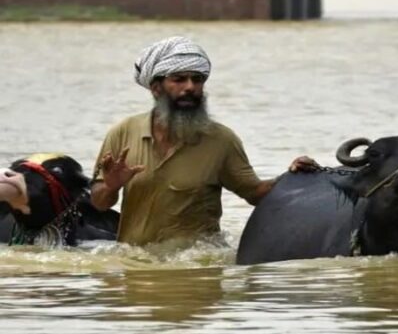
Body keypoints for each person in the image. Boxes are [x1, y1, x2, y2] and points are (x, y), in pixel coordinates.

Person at [91, 36, 318, 246]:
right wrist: (111, 186)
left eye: (197, 80)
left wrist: (293, 177)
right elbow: (99, 204)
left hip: (197, 266)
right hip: (135, 268)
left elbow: (256, 194)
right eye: (179, 79)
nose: (190, 87)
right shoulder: (122, 133)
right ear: (156, 88)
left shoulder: (221, 140)